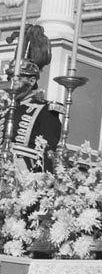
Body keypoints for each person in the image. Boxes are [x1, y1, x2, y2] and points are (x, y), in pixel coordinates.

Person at [0, 24, 63, 172]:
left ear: (32, 81)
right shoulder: (4, 109)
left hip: (24, 177)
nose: (13, 81)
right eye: (11, 77)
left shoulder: (45, 110)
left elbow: (48, 154)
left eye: (18, 78)